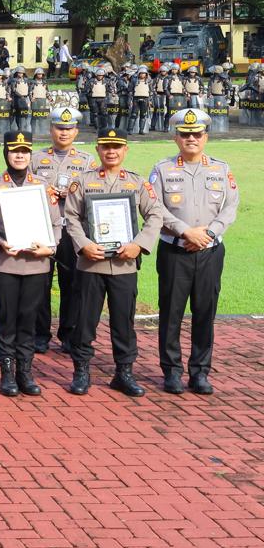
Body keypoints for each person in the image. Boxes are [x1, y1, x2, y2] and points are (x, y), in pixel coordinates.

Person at [63, 127, 167, 397]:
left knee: (123, 321)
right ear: (98, 149)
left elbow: (155, 215)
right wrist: (83, 244)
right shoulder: (82, 181)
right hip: (91, 263)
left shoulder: (137, 182)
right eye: (106, 147)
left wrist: (139, 245)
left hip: (124, 263)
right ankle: (81, 371)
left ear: (125, 150)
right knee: (84, 321)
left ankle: (124, 373)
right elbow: (71, 217)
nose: (111, 151)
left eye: (117, 147)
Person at [149, 108, 239, 395]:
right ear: (176, 137)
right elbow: (154, 208)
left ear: (205, 137)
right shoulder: (162, 170)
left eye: (197, 134)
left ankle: (200, 372)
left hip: (210, 252)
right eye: (185, 134)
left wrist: (208, 233)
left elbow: (231, 206)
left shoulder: (221, 169)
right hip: (175, 251)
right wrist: (186, 232)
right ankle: (172, 371)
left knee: (205, 312)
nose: (191, 139)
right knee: (171, 312)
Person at [0, 131, 59, 397]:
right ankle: (7, 372)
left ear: (30, 154)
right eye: (14, 150)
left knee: (28, 319)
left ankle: (25, 371)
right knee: (6, 319)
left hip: (35, 264)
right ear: (6, 153)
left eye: (24, 151)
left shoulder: (43, 186)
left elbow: (57, 224)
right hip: (5, 264)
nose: (20, 155)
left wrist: (51, 247)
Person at [31, 107, 96, 353]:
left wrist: (73, 193)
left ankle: (69, 333)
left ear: (76, 131)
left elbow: (93, 192)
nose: (64, 133)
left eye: (69, 129)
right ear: (51, 129)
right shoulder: (36, 159)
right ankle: (40, 334)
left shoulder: (87, 161)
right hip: (43, 228)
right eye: (60, 128)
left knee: (72, 282)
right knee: (41, 282)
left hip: (72, 229)